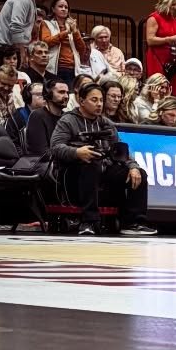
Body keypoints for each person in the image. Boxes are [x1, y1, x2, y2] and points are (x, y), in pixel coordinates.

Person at [48, 77, 156, 236]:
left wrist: (133, 167)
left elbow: (121, 151)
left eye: (101, 100)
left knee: (139, 173)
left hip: (103, 171)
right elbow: (56, 147)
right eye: (94, 100)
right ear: (81, 101)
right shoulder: (68, 120)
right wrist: (76, 152)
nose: (99, 104)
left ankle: (133, 222)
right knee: (91, 165)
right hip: (72, 174)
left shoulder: (106, 123)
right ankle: (88, 222)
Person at [0, 0, 58, 68]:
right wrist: (22, 52)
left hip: (7, 49)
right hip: (3, 50)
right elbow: (16, 27)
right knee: (2, 81)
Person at [142, 0, 176, 85]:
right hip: (157, 57)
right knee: (159, 85)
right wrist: (168, 39)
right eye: (173, 5)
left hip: (172, 57)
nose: (175, 8)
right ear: (165, 2)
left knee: (172, 87)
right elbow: (150, 40)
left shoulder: (175, 20)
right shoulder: (154, 18)